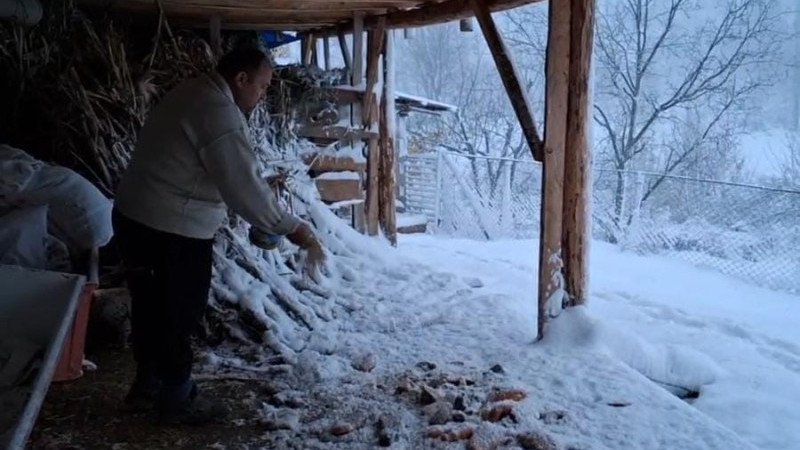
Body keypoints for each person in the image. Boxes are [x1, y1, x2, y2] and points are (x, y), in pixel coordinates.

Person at [112, 47, 323, 424]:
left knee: (149, 306)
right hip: (170, 227)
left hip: (136, 217)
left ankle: (147, 385)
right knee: (178, 312)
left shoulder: (192, 91)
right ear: (240, 79)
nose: (263, 95)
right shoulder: (217, 111)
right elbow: (244, 186)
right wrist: (292, 228)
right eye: (262, 86)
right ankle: (175, 398)